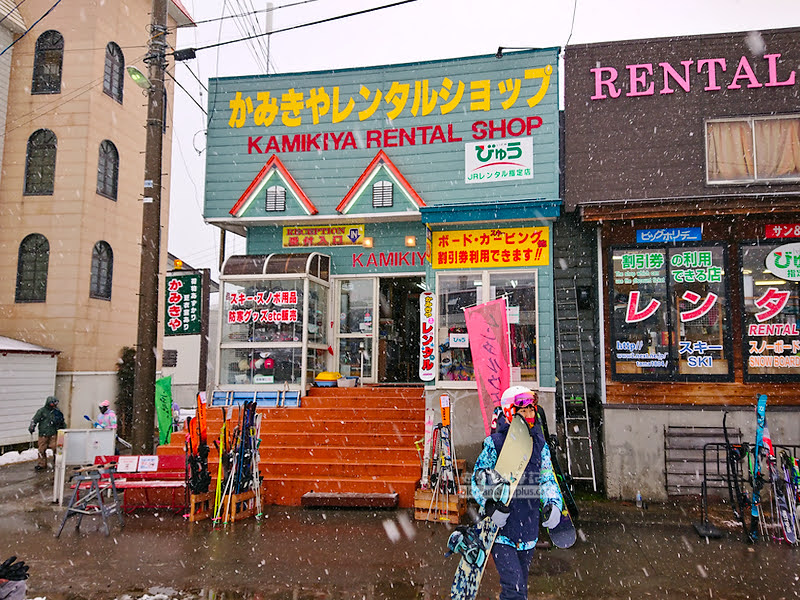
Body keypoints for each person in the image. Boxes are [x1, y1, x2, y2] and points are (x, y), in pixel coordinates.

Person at [471, 386, 562, 600]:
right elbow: (478, 478)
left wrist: (552, 503)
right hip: (502, 530)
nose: (530, 415)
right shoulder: (495, 444)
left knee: (520, 586)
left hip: (528, 527)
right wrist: (490, 505)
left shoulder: (540, 444)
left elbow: (547, 477)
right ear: (510, 412)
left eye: (532, 409)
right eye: (524, 411)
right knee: (515, 589)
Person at [28, 396, 66, 471]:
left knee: (55, 448)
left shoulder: (57, 412)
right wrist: (32, 427)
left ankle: (57, 462)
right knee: (41, 449)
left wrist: (64, 429)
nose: (54, 405)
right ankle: (41, 464)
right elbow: (34, 420)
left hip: (53, 433)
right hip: (43, 434)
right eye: (53, 403)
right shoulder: (42, 411)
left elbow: (62, 421)